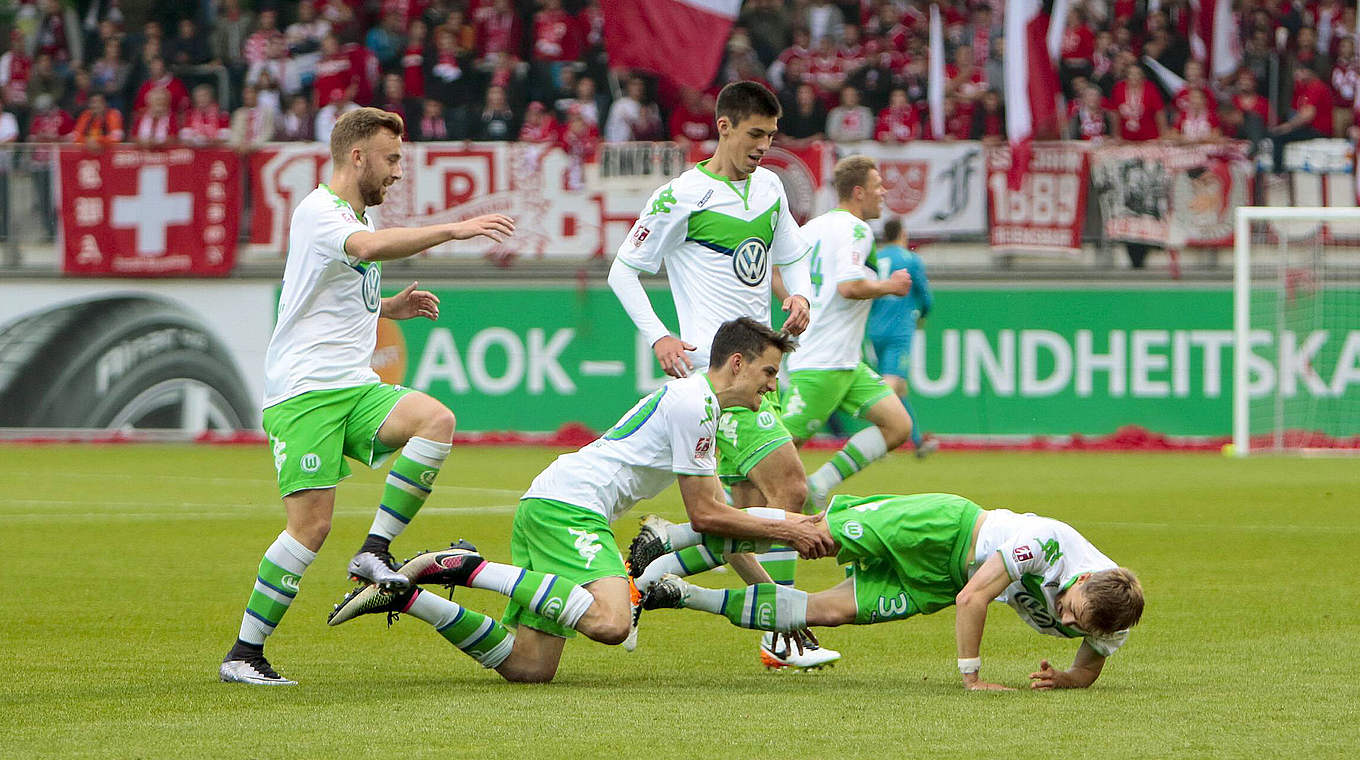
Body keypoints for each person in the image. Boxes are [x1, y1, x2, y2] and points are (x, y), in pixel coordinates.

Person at [326, 318, 836, 682]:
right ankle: (460, 566)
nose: (773, 387)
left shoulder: (700, 407)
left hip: (554, 505)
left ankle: (410, 596)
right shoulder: (694, 405)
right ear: (739, 363)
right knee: (611, 622)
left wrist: (780, 606)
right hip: (570, 509)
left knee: (529, 666)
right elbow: (706, 516)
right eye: (769, 373)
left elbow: (719, 527)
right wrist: (789, 527)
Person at [219, 107, 516, 686]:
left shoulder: (344, 216)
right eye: (391, 158)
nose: (398, 171)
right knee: (310, 528)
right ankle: (244, 653)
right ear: (357, 157)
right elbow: (367, 246)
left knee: (436, 419)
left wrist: (387, 307)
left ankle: (374, 551)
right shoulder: (321, 212)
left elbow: (325, 296)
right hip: (305, 394)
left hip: (353, 387)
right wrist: (453, 229)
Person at [606, 80, 833, 670]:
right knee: (790, 492)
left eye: (771, 136)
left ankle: (655, 565)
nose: (764, 146)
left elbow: (790, 254)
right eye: (755, 134)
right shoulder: (681, 196)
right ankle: (783, 629)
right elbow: (623, 272)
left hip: (759, 370)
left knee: (746, 511)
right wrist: (659, 333)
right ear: (725, 127)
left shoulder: (770, 187)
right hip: (719, 375)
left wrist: (802, 296)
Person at [633, 491, 1144, 690]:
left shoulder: (1111, 620)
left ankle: (677, 595)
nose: (1066, 620)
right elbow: (974, 599)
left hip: (940, 581)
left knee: (829, 613)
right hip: (943, 528)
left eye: (1076, 624)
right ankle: (671, 536)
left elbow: (1089, 668)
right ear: (1080, 579)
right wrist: (973, 678)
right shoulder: (1047, 544)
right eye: (1070, 610)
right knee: (814, 534)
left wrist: (1067, 680)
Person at [778, 156, 916, 513]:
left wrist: (797, 303)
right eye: (877, 186)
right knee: (772, 452)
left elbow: (777, 273)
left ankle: (819, 484)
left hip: (844, 361)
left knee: (898, 425)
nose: (883, 192)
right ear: (858, 192)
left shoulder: (812, 228)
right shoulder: (858, 230)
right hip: (822, 361)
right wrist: (891, 285)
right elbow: (850, 286)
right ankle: (714, 524)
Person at [866, 217, 935, 459]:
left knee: (900, 388)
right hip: (899, 330)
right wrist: (922, 317)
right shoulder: (910, 259)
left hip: (875, 328)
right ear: (902, 234)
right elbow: (926, 298)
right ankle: (875, 442)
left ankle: (917, 442)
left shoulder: (877, 257)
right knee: (890, 384)